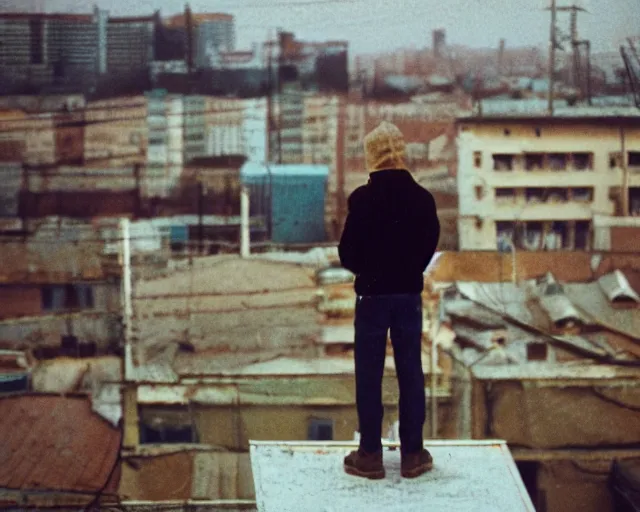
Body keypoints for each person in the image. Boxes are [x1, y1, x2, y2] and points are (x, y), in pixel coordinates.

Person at [339, 121, 440, 480]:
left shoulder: (363, 201)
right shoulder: (422, 199)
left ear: (372, 157)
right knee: (411, 370)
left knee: (369, 374)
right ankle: (413, 453)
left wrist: (372, 270)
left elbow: (347, 255)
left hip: (371, 297)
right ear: (401, 154)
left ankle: (370, 454)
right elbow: (430, 245)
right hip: (408, 295)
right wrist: (407, 269)